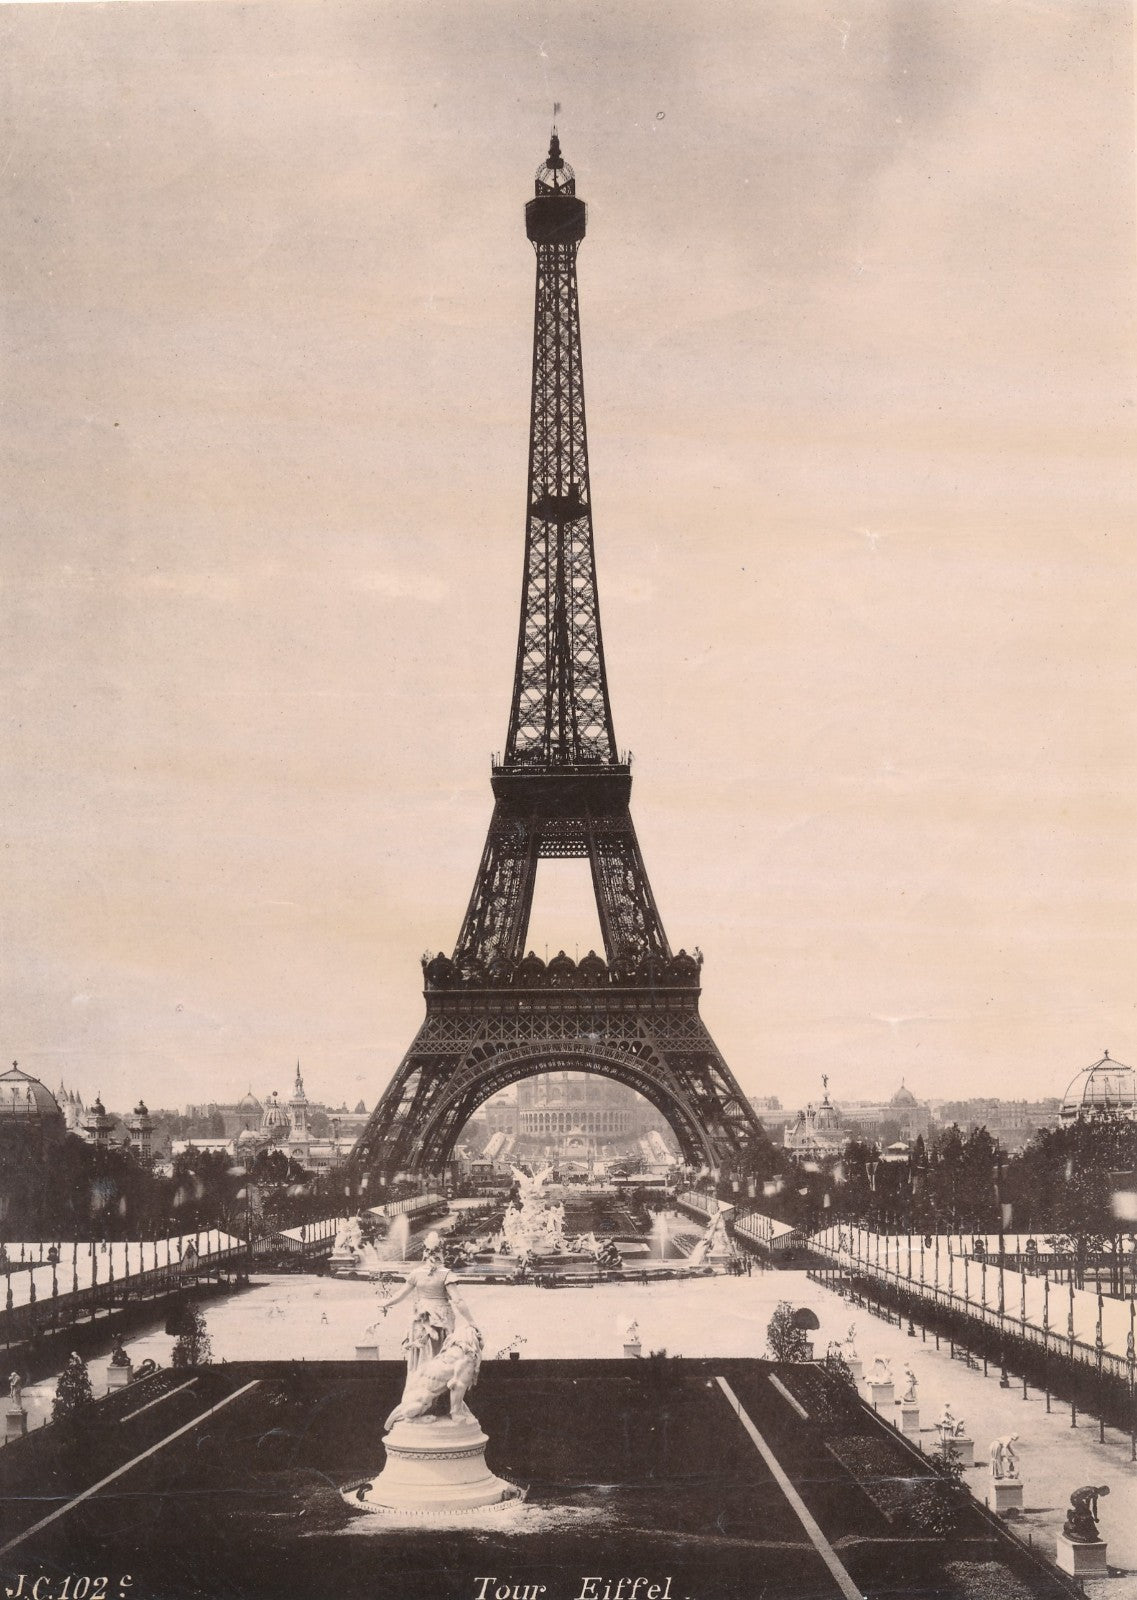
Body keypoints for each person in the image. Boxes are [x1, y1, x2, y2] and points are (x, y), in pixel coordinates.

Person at [380, 1231, 478, 1380]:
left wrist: (386, 1303)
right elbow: (458, 1301)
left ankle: (418, 1381)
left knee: (421, 1352)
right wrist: (471, 1321)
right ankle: (437, 1384)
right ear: (441, 1253)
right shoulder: (446, 1274)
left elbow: (401, 1294)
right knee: (439, 1353)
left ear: (425, 1253)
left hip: (421, 1317)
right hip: (441, 1318)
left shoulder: (416, 1273)